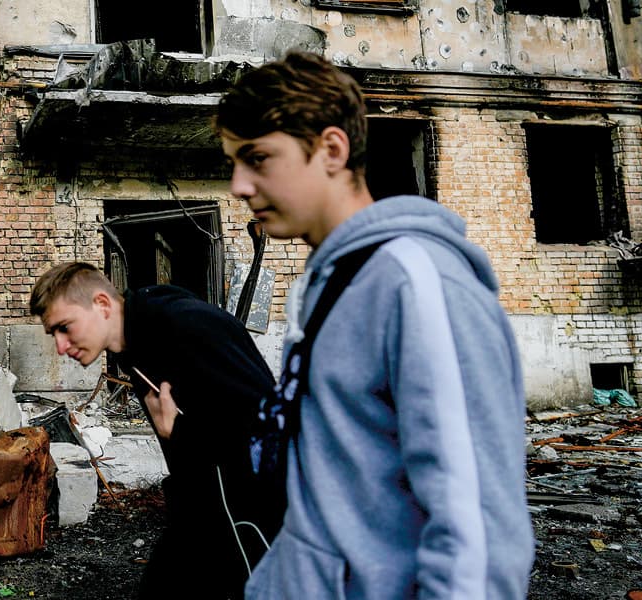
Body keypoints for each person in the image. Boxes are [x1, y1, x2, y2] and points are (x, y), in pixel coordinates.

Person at [213, 51, 534, 599]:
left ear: (332, 149)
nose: (240, 185)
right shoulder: (328, 282)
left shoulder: (415, 280)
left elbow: (475, 530)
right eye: (234, 163)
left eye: (259, 158)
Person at [29, 262, 280, 600]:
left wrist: (181, 434)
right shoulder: (139, 345)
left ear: (102, 304)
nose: (60, 346)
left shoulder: (185, 325)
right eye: (53, 334)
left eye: (64, 327)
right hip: (200, 511)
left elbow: (265, 422)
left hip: (249, 521)